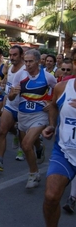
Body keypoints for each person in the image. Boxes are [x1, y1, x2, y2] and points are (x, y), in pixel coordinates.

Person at [9, 49, 56, 188]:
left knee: (26, 144)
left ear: (38, 62)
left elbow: (58, 92)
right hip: (22, 115)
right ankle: (39, 148)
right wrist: (13, 93)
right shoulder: (19, 76)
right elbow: (10, 97)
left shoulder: (48, 77)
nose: (27, 65)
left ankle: (33, 174)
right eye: (26, 61)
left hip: (39, 115)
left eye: (30, 62)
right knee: (27, 146)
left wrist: (52, 103)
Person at [41, 76, 76, 226]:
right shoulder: (62, 87)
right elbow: (54, 105)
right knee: (51, 197)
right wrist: (52, 125)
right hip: (64, 151)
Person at [0, 45, 25, 171]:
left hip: (22, 107)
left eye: (15, 55)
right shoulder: (9, 68)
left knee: (22, 134)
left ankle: (23, 149)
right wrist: (3, 86)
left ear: (21, 56)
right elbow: (8, 83)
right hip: (9, 105)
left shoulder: (26, 70)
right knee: (2, 131)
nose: (12, 57)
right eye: (11, 54)